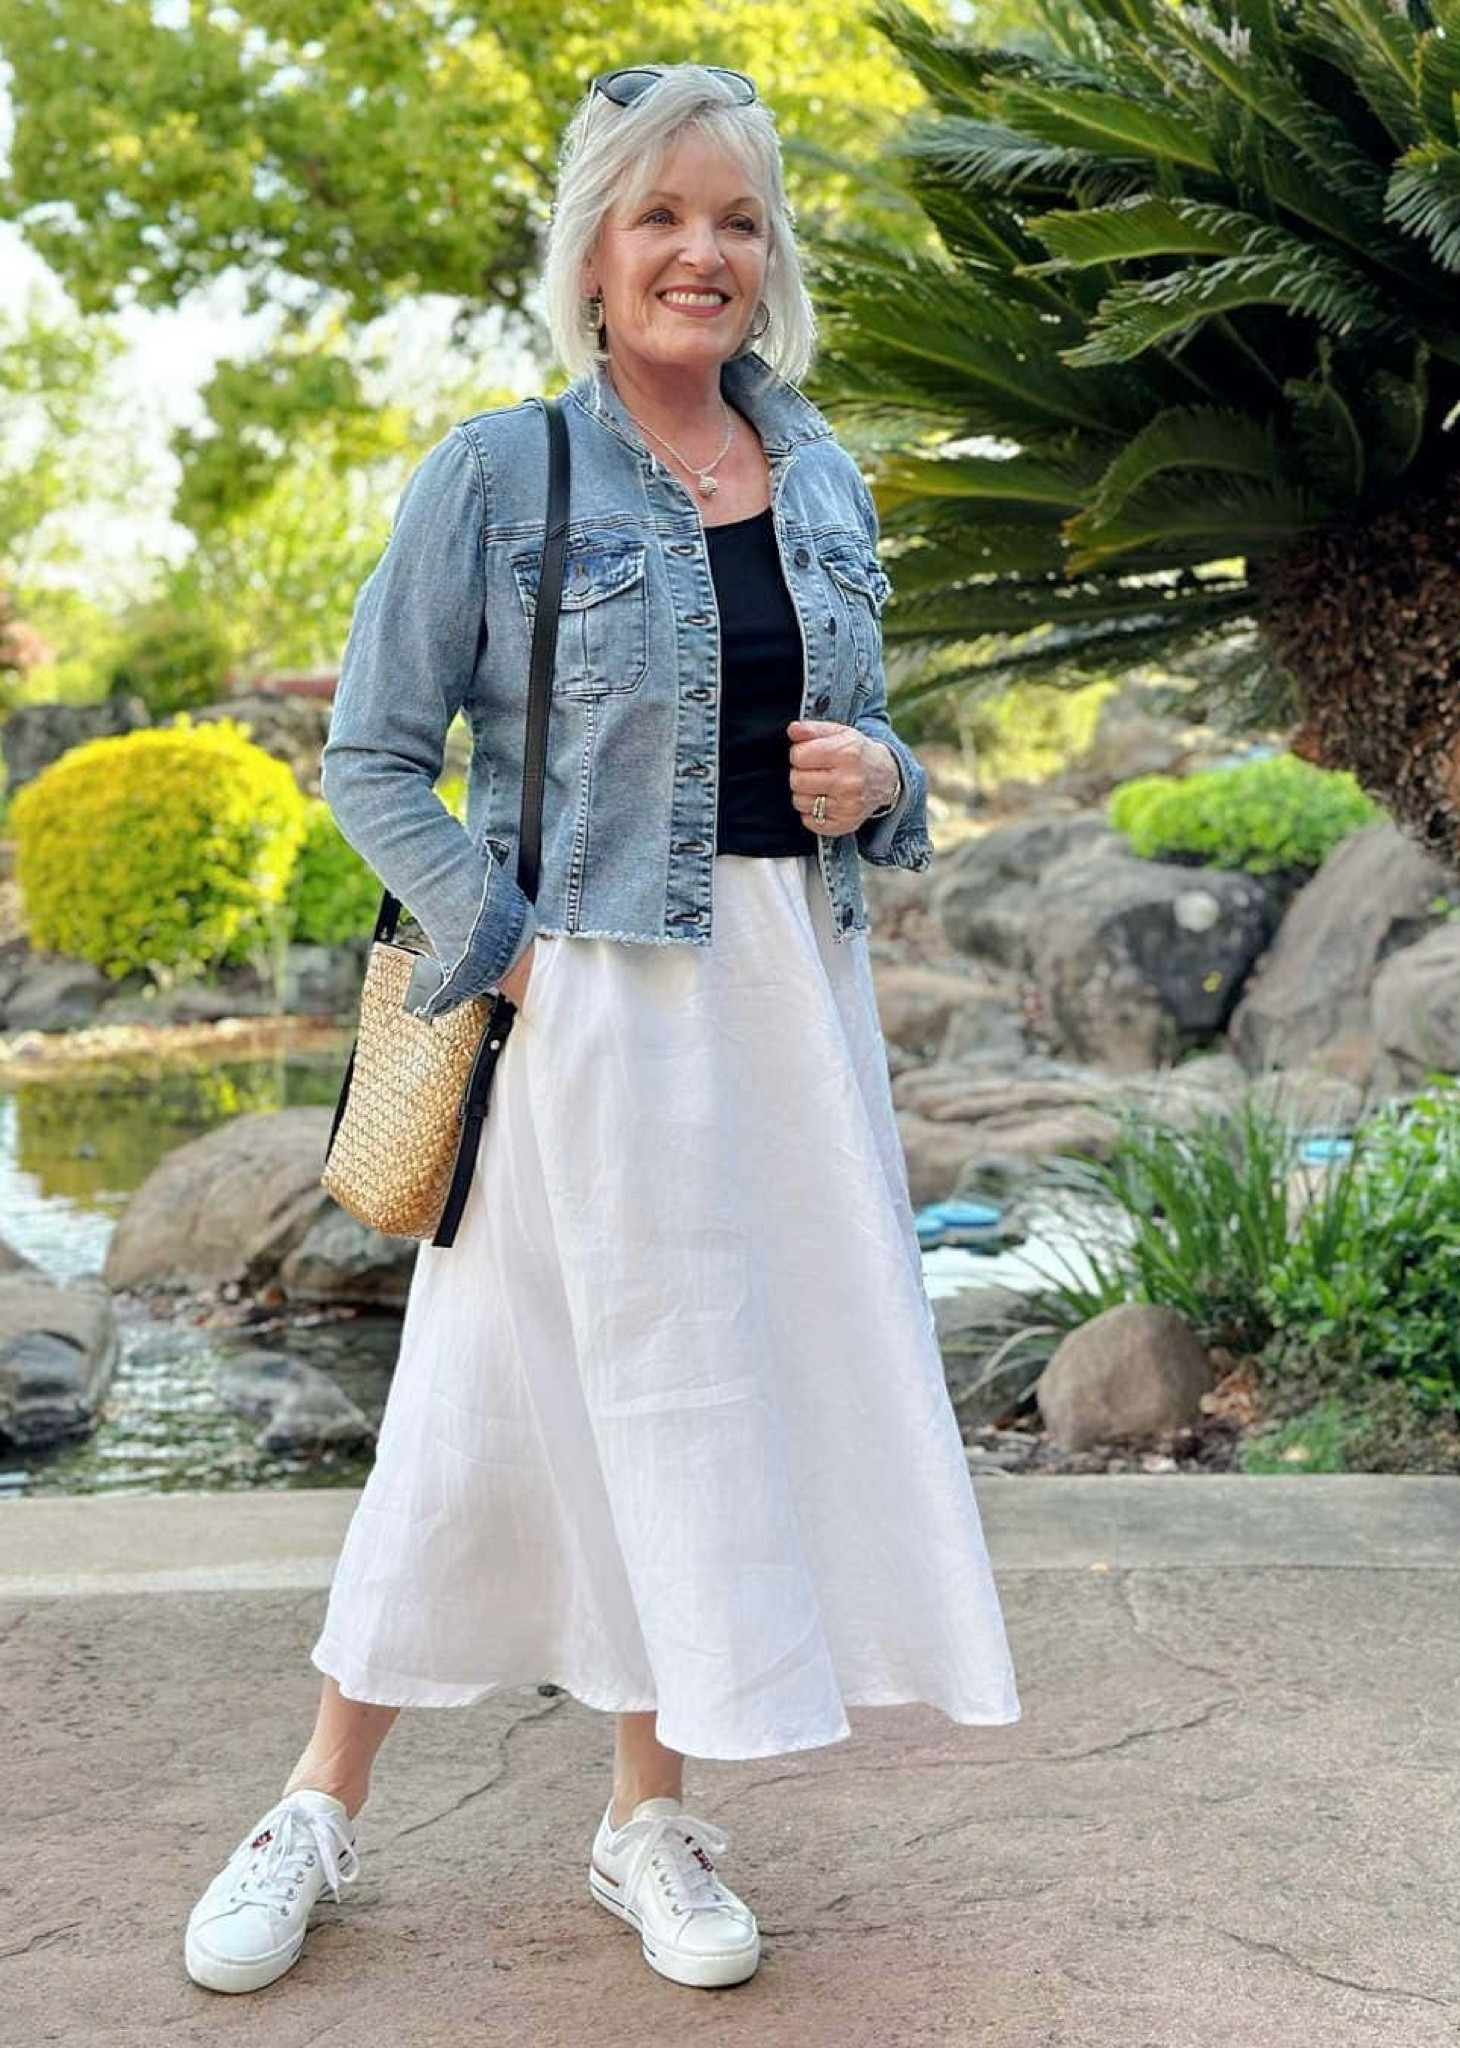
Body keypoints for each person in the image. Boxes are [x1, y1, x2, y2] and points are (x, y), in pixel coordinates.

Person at [183, 61, 1020, 1999]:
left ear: (767, 254)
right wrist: (512, 943)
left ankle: (644, 1813)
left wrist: (874, 772)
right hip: (582, 1002)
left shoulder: (816, 474)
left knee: (711, 1395)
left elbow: (879, 768)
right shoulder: (502, 473)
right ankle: (317, 1800)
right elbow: (374, 759)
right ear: (591, 249)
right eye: (660, 217)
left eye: (733, 220)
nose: (699, 254)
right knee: (484, 1402)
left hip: (780, 1005)